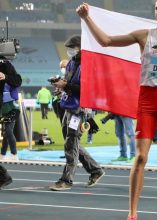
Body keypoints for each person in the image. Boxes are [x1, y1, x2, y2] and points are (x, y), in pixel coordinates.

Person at [76, 1, 157, 219]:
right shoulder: (144, 36)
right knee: (141, 156)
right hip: (147, 101)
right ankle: (132, 213)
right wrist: (86, 18)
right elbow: (106, 41)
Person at [49, 35, 105, 191]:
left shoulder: (88, 65)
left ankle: (66, 180)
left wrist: (65, 86)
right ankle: (95, 170)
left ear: (81, 48)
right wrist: (59, 83)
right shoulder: (72, 63)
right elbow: (68, 82)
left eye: (72, 48)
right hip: (67, 105)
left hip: (79, 109)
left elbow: (86, 90)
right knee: (72, 142)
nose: (70, 51)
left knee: (71, 142)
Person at [0, 54, 22, 186]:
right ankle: (3, 154)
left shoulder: (5, 64)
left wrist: (6, 77)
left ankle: (13, 153)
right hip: (5, 107)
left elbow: (17, 80)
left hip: (11, 108)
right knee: (6, 133)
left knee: (8, 131)